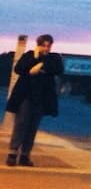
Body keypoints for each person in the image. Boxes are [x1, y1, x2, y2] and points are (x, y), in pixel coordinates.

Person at [6, 34, 63, 167]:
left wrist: (40, 66)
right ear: (38, 45)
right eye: (44, 45)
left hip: (42, 97)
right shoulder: (29, 55)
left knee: (33, 126)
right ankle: (13, 152)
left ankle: (25, 154)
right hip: (26, 95)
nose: (46, 48)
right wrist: (35, 58)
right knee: (21, 123)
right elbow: (19, 69)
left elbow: (58, 69)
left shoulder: (54, 57)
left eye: (48, 46)